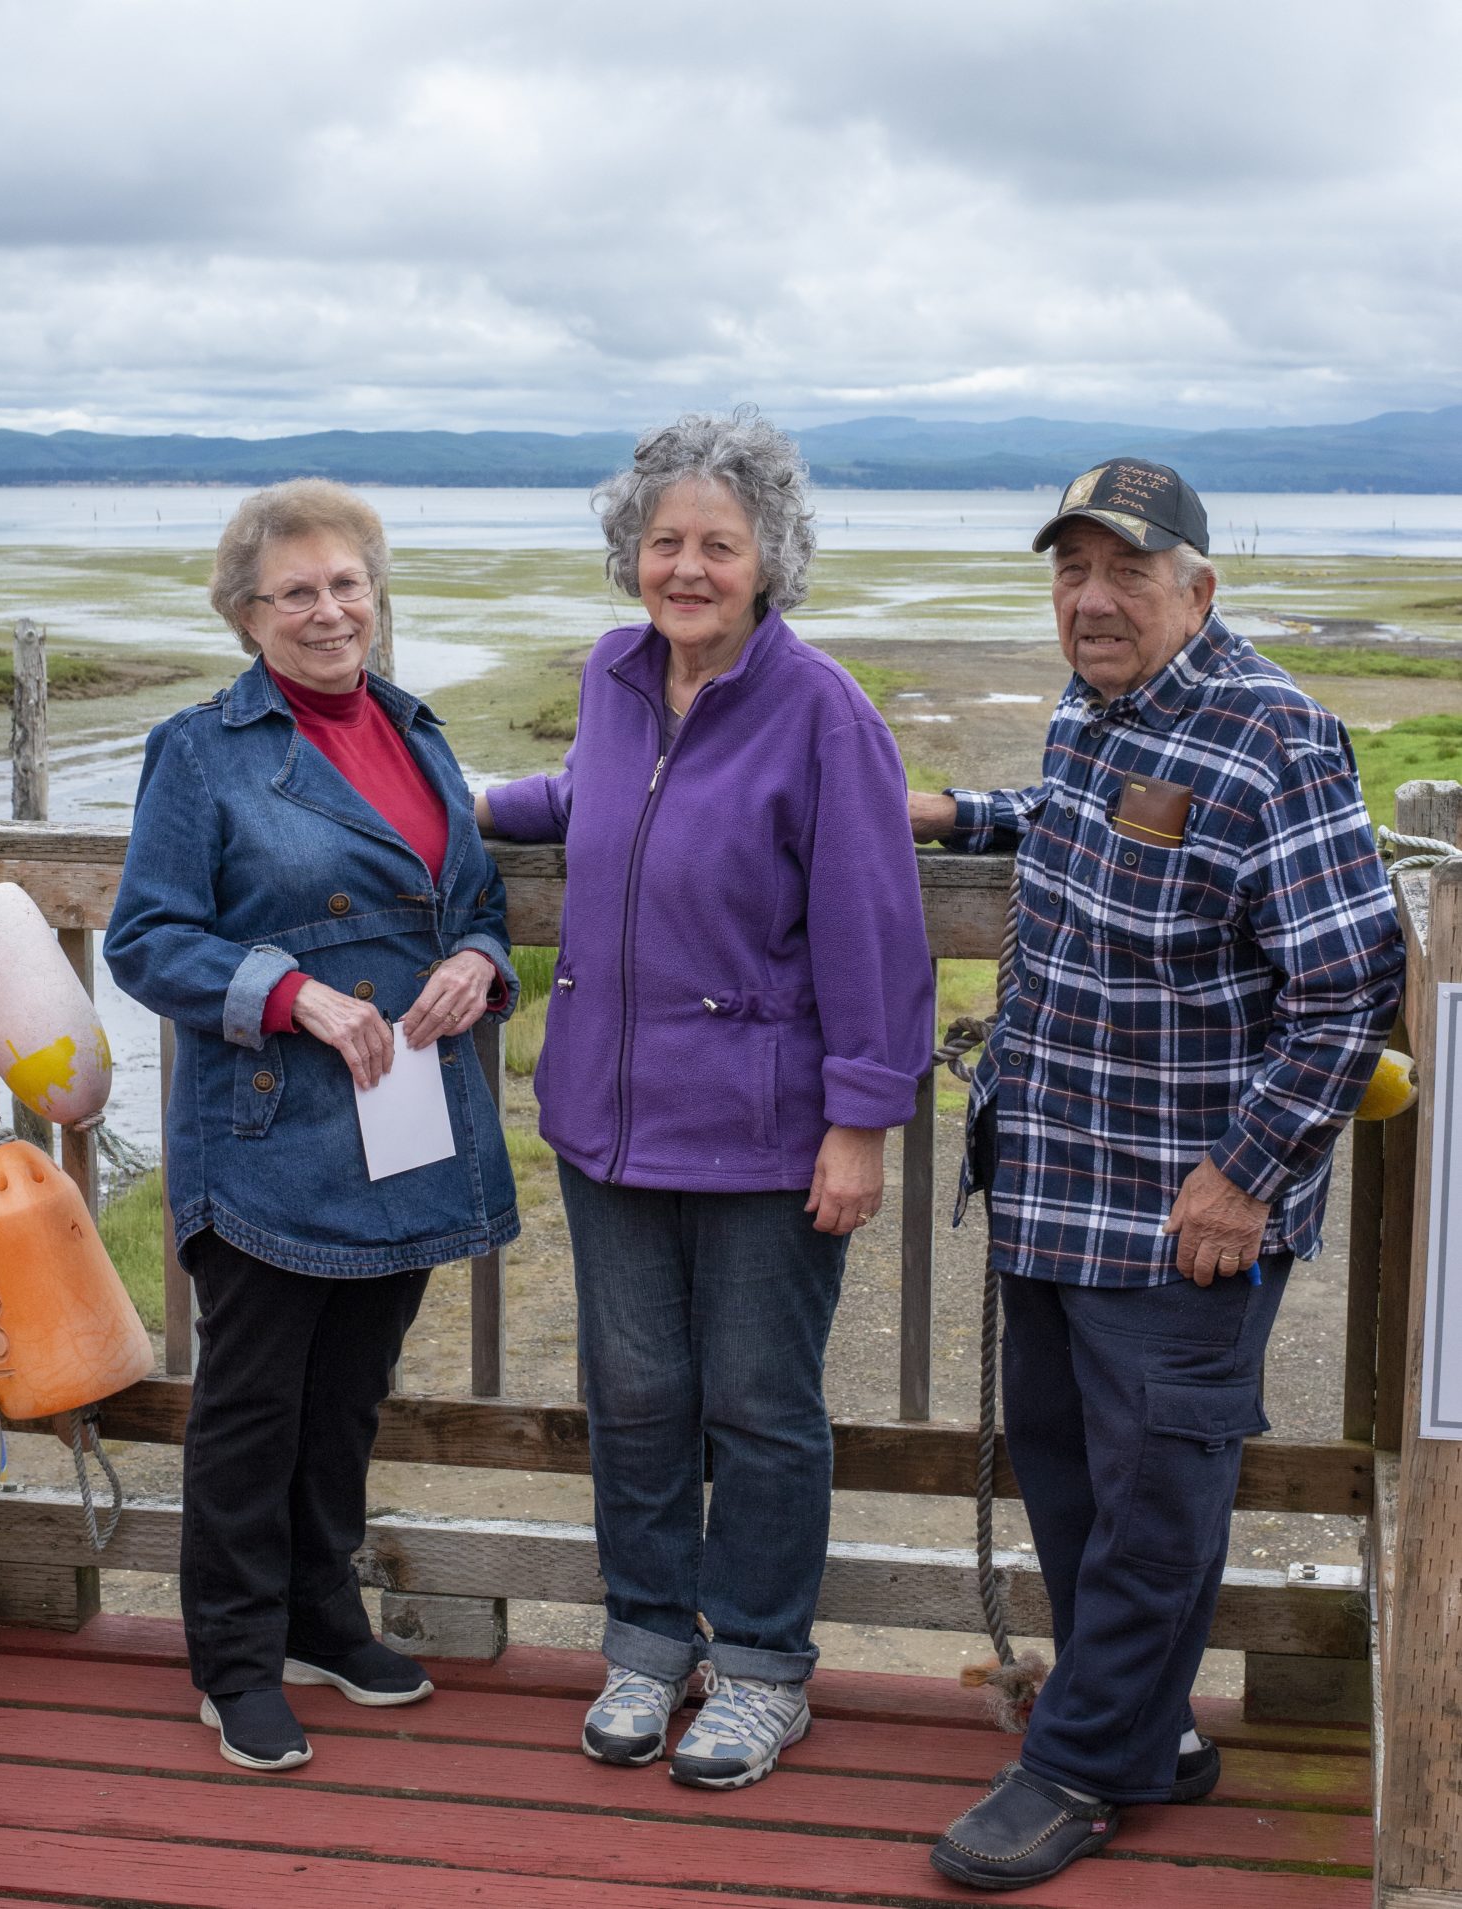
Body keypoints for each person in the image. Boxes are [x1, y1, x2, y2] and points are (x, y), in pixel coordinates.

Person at [910, 458, 1404, 1892]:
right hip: (1055, 1184)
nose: (1092, 597)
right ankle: (1146, 1731)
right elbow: (1085, 823)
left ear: (1200, 583)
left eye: (1126, 570)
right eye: (1072, 569)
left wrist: (1245, 1176)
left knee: (1154, 1500)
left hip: (1187, 1215)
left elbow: (1348, 984)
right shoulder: (1094, 711)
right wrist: (968, 816)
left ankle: (1076, 1764)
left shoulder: (1279, 737)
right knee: (1068, 1478)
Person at [477, 410, 934, 1790]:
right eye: (665, 540)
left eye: (718, 545)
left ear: (769, 559)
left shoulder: (826, 714)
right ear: (632, 554)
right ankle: (644, 1640)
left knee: (759, 1403)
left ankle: (763, 1666)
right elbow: (600, 797)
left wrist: (860, 1120)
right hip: (609, 1124)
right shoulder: (614, 675)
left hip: (766, 1137)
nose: (688, 567)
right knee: (633, 1394)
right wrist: (464, 806)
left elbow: (874, 931)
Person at [105, 479, 519, 1775]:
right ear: (247, 615)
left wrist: (480, 960)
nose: (331, 610)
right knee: (253, 1407)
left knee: (346, 1397)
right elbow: (148, 939)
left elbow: (475, 894)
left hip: (404, 1123)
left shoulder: (414, 727)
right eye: (298, 591)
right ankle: (233, 1657)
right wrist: (292, 994)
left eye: (348, 583)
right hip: (273, 1125)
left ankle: (320, 1616)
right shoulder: (202, 749)